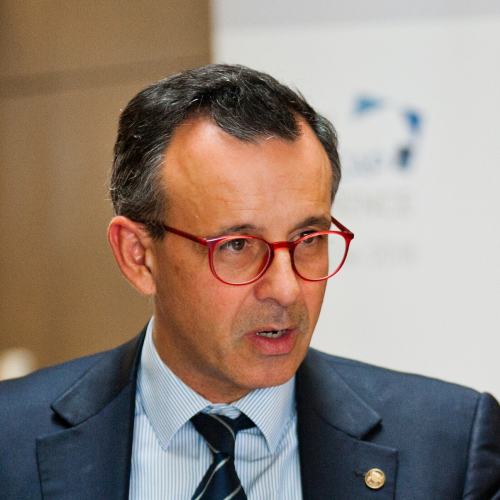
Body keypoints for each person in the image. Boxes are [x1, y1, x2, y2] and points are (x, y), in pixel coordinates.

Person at [0, 64, 498, 500]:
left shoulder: (448, 448)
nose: (286, 289)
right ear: (139, 256)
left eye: (309, 238)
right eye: (237, 245)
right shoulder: (10, 441)